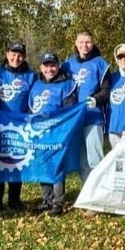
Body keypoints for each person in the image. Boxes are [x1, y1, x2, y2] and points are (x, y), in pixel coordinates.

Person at [29, 51, 78, 216]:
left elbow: (68, 110)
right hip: (39, 134)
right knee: (43, 165)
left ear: (58, 66)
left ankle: (58, 202)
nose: (50, 69)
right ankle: (47, 199)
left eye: (53, 65)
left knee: (56, 166)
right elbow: (31, 109)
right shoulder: (36, 85)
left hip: (58, 133)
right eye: (46, 66)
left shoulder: (67, 84)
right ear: (41, 67)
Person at [0, 41, 37, 211]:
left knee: (17, 163)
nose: (16, 58)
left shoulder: (31, 76)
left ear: (24, 57)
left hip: (21, 128)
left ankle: (14, 199)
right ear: (6, 54)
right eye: (13, 53)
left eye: (19, 55)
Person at [62, 30, 110, 192]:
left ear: (93, 42)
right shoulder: (67, 65)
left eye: (88, 42)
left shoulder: (100, 64)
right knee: (82, 159)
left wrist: (97, 99)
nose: (85, 45)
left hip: (93, 117)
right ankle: (87, 194)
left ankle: (100, 195)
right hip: (74, 119)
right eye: (81, 42)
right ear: (76, 43)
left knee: (95, 159)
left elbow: (106, 90)